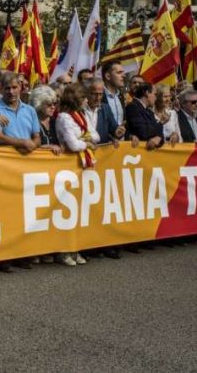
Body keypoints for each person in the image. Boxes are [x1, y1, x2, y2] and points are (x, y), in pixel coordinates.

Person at [55, 83, 97, 266]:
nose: (87, 101)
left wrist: (85, 139)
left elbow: (95, 135)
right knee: (66, 210)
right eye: (84, 97)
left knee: (80, 209)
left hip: (82, 166)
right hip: (67, 167)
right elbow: (73, 144)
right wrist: (86, 143)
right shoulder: (64, 117)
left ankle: (75, 248)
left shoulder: (81, 115)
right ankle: (63, 250)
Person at [0, 72, 40, 154]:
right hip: (5, 158)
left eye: (14, 87)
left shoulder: (30, 110)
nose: (11, 92)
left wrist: (32, 146)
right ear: (1, 88)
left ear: (20, 87)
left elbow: (37, 137)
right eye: (7, 88)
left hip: (28, 157)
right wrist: (22, 143)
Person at [85, 79, 125, 146]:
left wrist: (118, 132)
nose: (98, 98)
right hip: (84, 150)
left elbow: (114, 128)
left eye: (100, 94)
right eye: (95, 94)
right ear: (87, 93)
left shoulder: (105, 108)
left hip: (102, 150)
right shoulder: (80, 109)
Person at [125, 83, 164, 150]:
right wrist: (160, 123)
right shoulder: (133, 107)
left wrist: (159, 137)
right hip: (136, 151)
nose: (156, 98)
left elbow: (160, 136)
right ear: (147, 93)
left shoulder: (149, 112)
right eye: (155, 94)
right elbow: (143, 132)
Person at [29, 85, 62, 154]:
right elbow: (27, 145)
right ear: (38, 104)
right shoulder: (30, 122)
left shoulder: (56, 121)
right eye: (49, 104)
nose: (53, 107)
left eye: (54, 104)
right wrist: (47, 147)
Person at [101, 61, 125, 128]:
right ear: (108, 76)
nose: (124, 75)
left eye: (123, 72)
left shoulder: (121, 96)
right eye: (119, 72)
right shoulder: (99, 96)